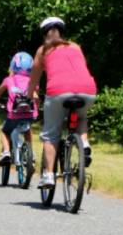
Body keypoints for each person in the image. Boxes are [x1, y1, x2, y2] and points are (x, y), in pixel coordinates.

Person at [24, 17, 97, 189]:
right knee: (81, 117)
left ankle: (48, 175)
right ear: (63, 33)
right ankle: (84, 143)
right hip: (88, 89)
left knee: (51, 135)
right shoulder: (75, 46)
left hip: (59, 91)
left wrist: (29, 96)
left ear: (44, 35)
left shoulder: (43, 51)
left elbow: (34, 79)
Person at [0, 52, 38, 166]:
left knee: (5, 131)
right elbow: (35, 96)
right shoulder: (33, 81)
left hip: (14, 114)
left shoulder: (9, 80)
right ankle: (31, 154)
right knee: (27, 130)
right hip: (29, 114)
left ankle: (5, 152)